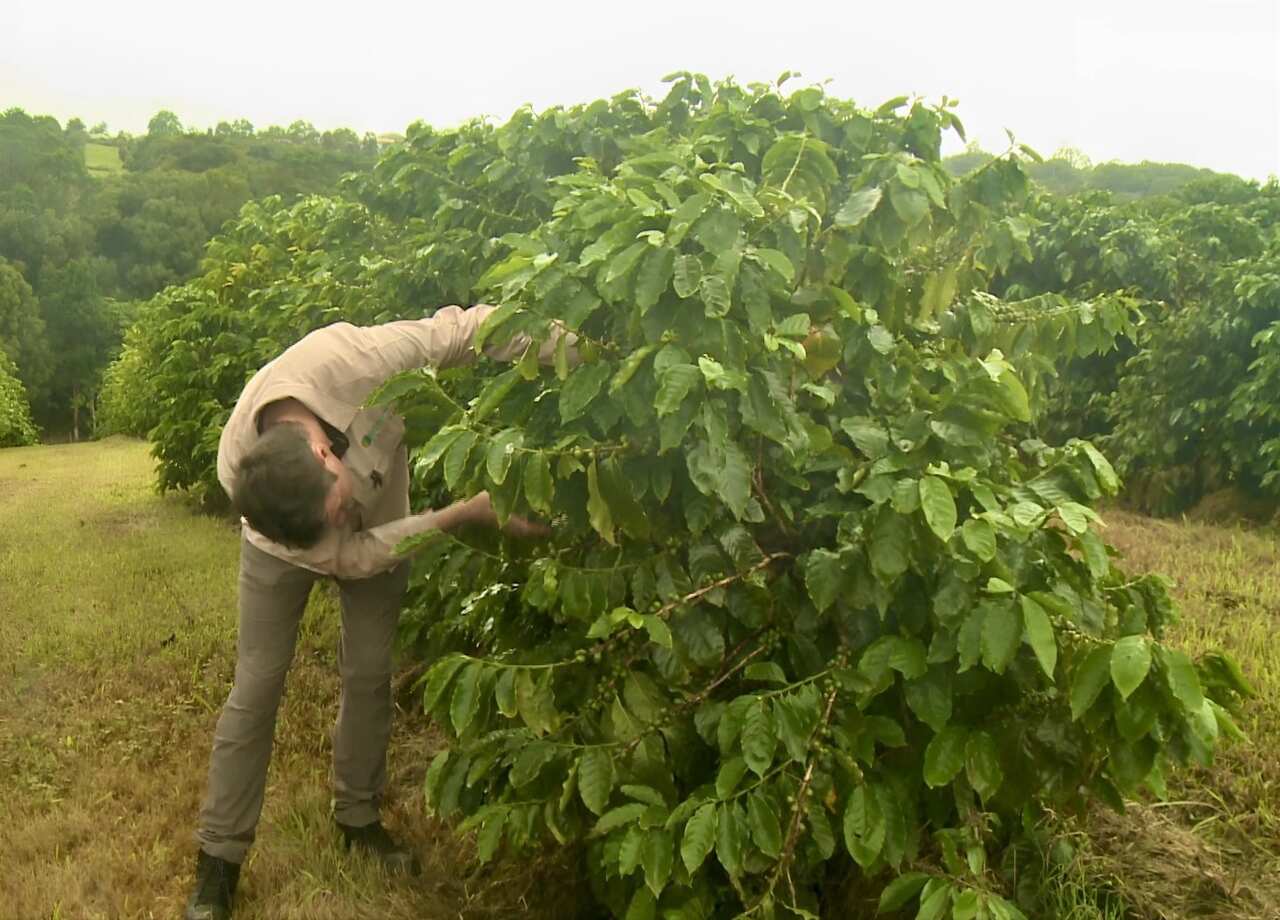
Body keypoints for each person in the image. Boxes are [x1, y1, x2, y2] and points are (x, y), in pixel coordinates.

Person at [185, 304, 558, 920]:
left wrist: (571, 351)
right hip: (280, 554)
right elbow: (348, 555)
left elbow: (464, 330)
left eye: (335, 507)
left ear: (323, 452)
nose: (341, 516)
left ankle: (358, 817)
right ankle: (219, 861)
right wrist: (463, 513)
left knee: (368, 672)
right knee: (256, 686)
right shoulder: (243, 474)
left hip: (386, 521)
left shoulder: (358, 361)